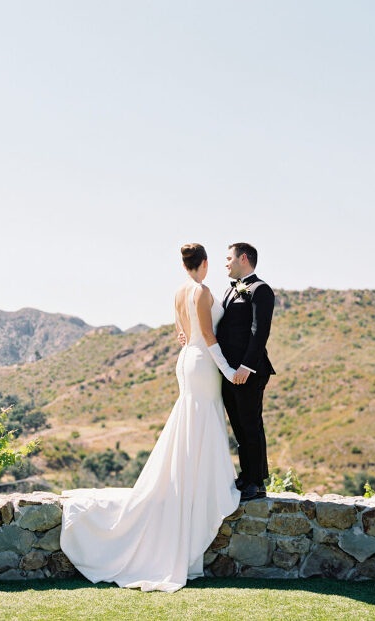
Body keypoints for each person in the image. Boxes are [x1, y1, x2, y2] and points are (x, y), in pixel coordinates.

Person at [60, 243, 241, 593]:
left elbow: (182, 334)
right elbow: (207, 335)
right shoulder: (202, 291)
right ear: (203, 263)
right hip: (203, 364)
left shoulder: (177, 292)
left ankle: (192, 483)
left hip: (187, 361)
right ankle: (205, 488)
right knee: (199, 420)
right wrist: (230, 370)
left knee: (191, 421)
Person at [216, 242, 276, 502]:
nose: (226, 263)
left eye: (229, 258)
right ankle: (245, 474)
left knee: (251, 425)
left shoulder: (261, 290)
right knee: (239, 426)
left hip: (248, 370)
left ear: (243, 258)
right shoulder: (230, 291)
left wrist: (246, 367)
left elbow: (259, 331)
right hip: (229, 371)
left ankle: (257, 482)